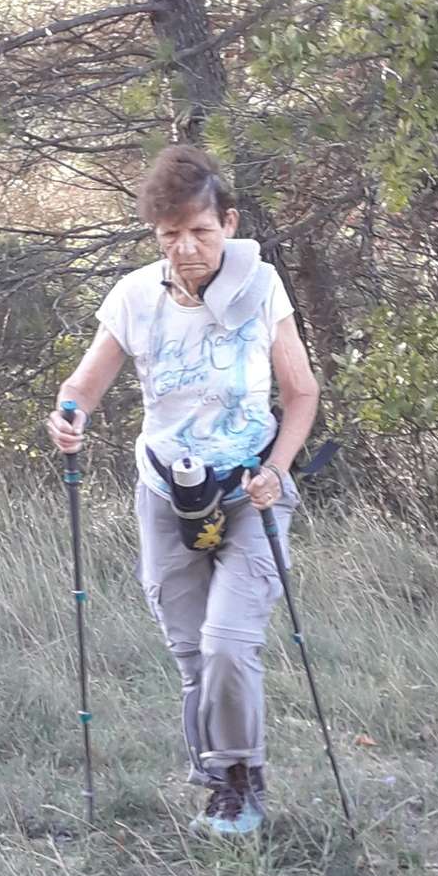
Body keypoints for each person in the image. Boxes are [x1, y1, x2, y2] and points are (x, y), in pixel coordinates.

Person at [48, 144, 321, 837]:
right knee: (194, 654)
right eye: (170, 234)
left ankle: (243, 783)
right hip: (166, 493)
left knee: (228, 641)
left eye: (200, 230)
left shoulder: (263, 287)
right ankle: (219, 782)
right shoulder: (135, 297)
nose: (186, 248)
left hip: (250, 490)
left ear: (228, 222)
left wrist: (276, 469)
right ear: (155, 233)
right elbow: (84, 386)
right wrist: (69, 417)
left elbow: (301, 393)